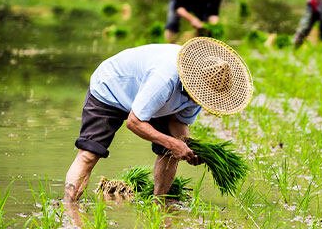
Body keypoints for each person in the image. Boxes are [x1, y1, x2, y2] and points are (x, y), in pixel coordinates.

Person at [63, 37, 253, 223]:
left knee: (170, 152)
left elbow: (178, 124)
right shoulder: (165, 78)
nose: (201, 100)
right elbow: (134, 122)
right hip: (111, 88)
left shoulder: (201, 93)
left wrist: (187, 148)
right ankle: (69, 212)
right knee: (89, 154)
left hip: (153, 100)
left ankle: (159, 206)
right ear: (192, 81)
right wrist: (173, 143)